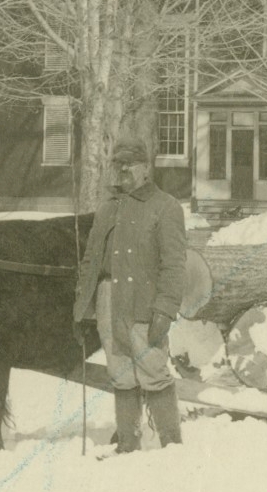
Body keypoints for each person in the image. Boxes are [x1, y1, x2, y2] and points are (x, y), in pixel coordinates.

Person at [74, 138, 189, 452]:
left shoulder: (166, 207)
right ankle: (128, 442)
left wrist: (165, 309)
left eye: (130, 163)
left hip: (144, 302)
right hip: (109, 299)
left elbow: (175, 264)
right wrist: (81, 306)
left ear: (146, 168)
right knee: (120, 373)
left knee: (153, 371)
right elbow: (91, 260)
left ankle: (171, 442)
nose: (123, 169)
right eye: (118, 163)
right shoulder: (109, 207)